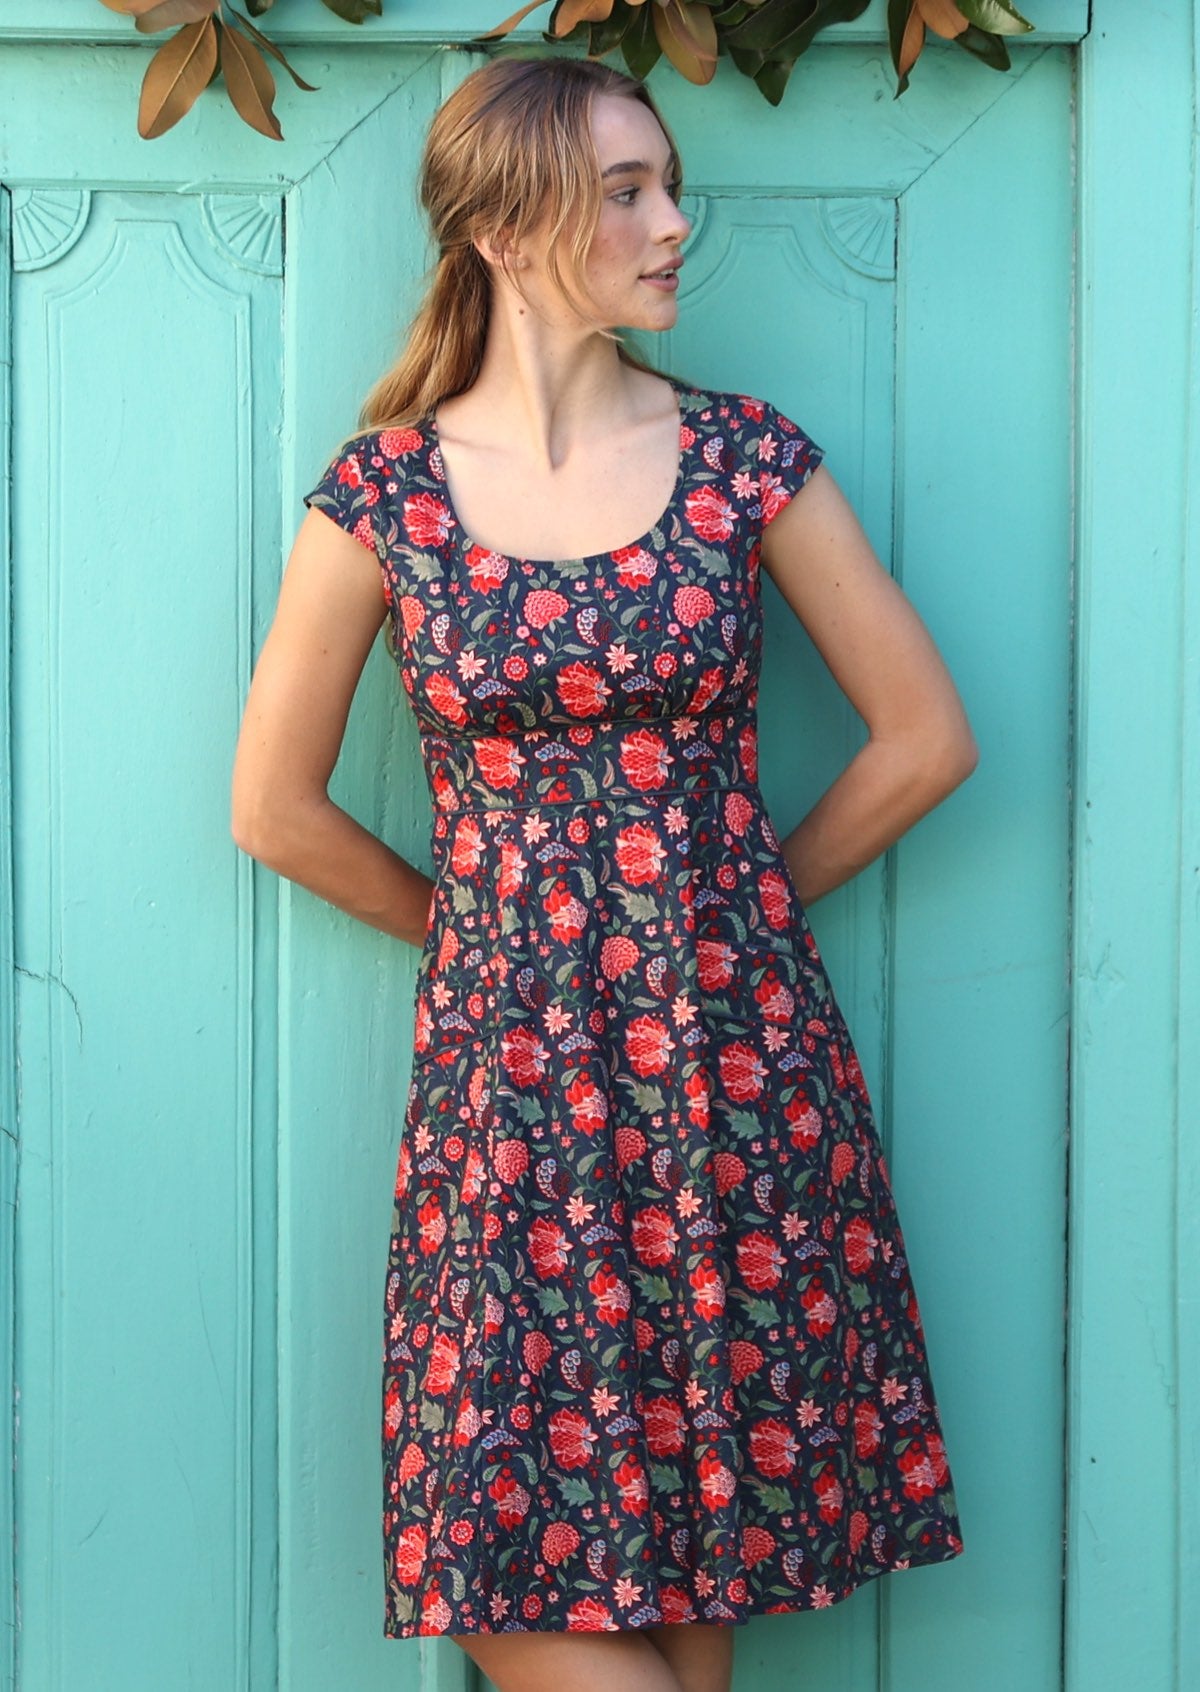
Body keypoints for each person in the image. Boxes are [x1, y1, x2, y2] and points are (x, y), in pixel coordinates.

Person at [231, 51, 976, 1692]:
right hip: (507, 1097)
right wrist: (490, 943)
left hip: (731, 1070)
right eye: (627, 191)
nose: (675, 224)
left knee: (686, 1553)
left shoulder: (741, 461)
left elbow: (924, 738)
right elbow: (274, 807)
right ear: (504, 227)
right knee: (501, 1543)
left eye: (667, 182)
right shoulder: (388, 495)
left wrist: (732, 917)